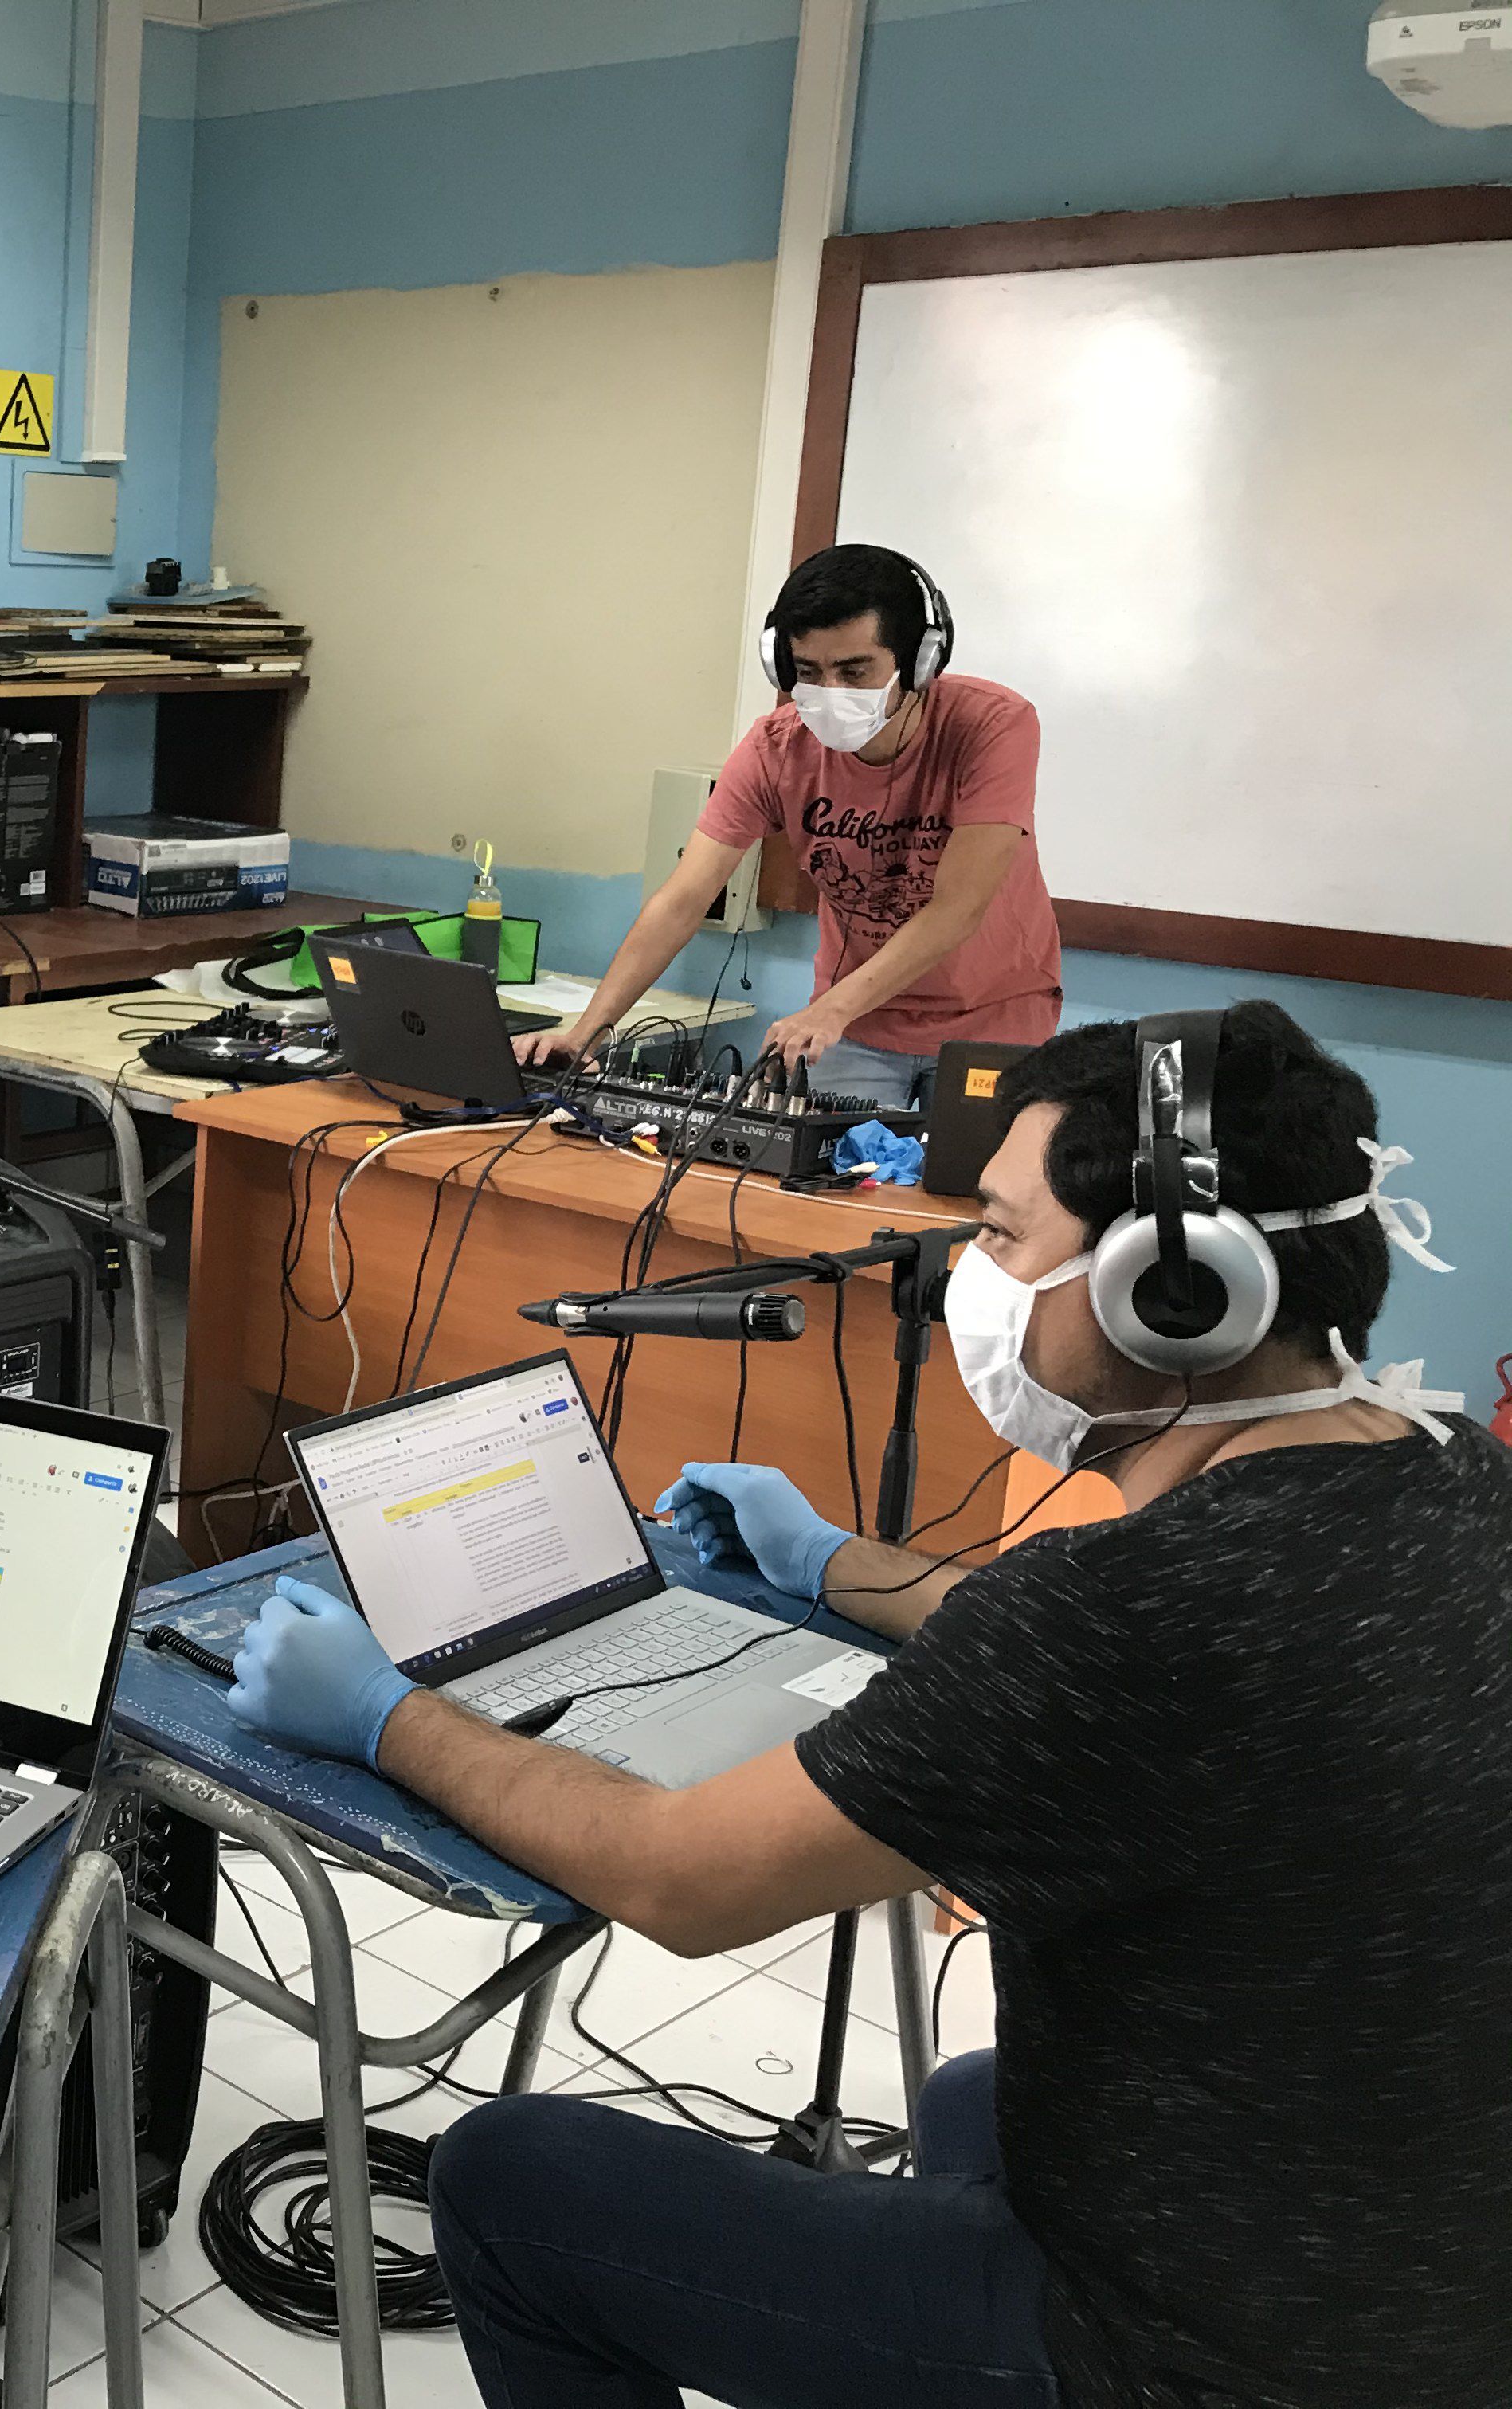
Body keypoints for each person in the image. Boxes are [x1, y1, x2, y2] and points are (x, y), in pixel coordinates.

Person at [226, 999, 1504, 2407]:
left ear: (1174, 1288)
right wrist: (832, 1559)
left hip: (1187, 2355)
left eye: (1008, 1237)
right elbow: (1144, 1683)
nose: (977, 1274)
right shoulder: (1455, 1475)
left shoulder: (1119, 1610)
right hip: (1430, 2277)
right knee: (965, 2094)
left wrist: (378, 1711)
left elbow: (678, 1879)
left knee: (508, 2177)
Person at [519, 544, 1061, 1105]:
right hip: (854, 1028)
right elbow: (683, 899)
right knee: (825, 1182)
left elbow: (958, 907)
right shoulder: (776, 748)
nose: (831, 693)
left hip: (992, 1021)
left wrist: (829, 1009)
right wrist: (587, 1031)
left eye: (855, 671)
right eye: (808, 672)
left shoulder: (993, 726)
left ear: (919, 662)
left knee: (971, 1186)